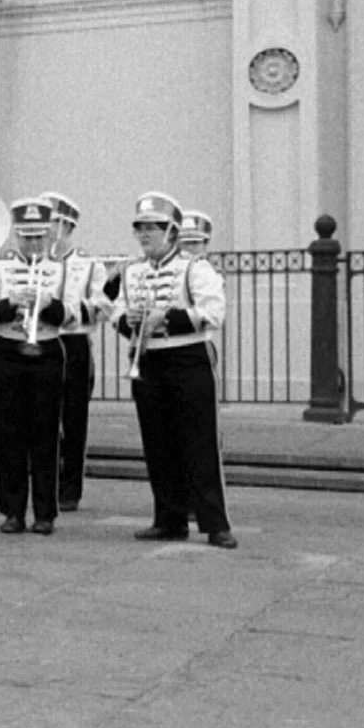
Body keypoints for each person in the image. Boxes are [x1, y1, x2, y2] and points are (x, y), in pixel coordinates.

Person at [112, 193, 236, 548]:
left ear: (171, 232)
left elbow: (213, 312)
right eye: (140, 228)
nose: (144, 234)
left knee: (200, 442)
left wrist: (166, 318)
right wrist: (128, 320)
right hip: (149, 360)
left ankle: (216, 523)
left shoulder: (195, 268)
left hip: (188, 358)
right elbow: (116, 312)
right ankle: (168, 518)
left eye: (152, 228)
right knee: (158, 444)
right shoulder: (131, 271)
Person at [0, 199, 71, 535]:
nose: (33, 244)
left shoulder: (61, 269)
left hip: (46, 348)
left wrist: (48, 304)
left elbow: (72, 314)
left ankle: (45, 512)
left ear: (48, 237)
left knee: (46, 432)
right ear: (16, 236)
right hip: (6, 349)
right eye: (27, 237)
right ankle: (12, 510)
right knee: (8, 433)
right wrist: (10, 303)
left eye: (39, 238)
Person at [44, 194, 107, 512]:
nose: (47, 229)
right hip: (43, 340)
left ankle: (70, 489)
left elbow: (100, 306)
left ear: (67, 226)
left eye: (52, 222)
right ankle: (45, 483)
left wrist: (67, 313)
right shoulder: (34, 263)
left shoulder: (89, 264)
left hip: (73, 342)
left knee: (73, 418)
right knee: (42, 417)